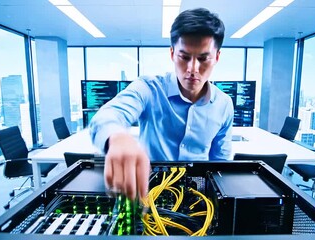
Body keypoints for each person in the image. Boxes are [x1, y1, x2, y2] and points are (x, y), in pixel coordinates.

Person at [89, 8, 234, 201]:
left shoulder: (224, 105)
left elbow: (220, 165)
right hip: (149, 195)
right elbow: (108, 115)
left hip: (198, 202)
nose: (192, 69)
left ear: (216, 57)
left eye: (203, 58)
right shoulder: (149, 88)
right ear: (172, 54)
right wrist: (117, 138)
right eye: (184, 57)